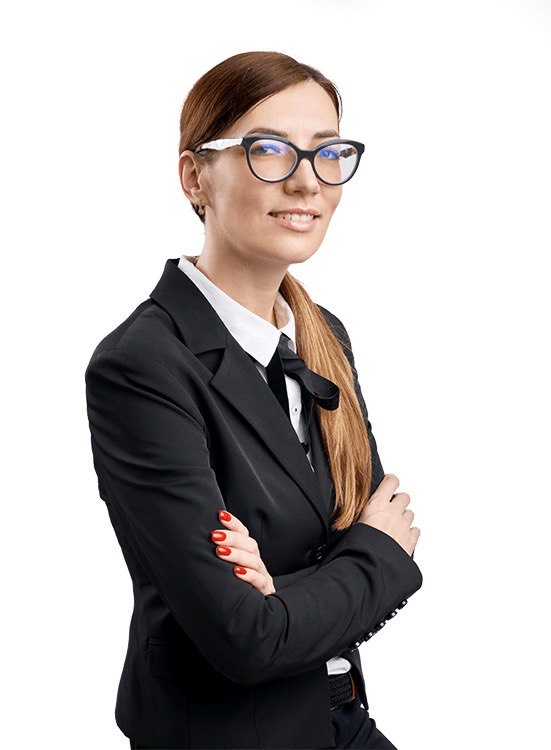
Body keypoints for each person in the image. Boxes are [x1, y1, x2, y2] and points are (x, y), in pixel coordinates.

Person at [85, 50, 423, 749]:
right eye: (268, 149)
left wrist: (285, 587)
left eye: (327, 152)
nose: (307, 180)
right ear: (194, 176)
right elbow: (247, 636)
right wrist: (370, 559)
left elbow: (370, 522)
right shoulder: (140, 366)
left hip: (339, 720)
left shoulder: (323, 335)